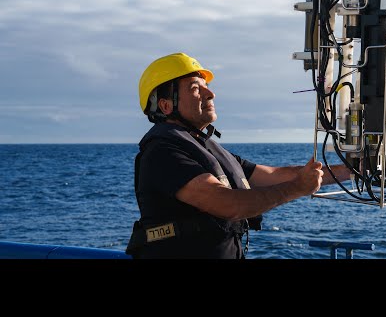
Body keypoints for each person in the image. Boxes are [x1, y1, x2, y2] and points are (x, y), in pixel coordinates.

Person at [125, 52, 351, 259]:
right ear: (166, 105)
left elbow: (275, 175)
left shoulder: (205, 149)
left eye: (207, 86)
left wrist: (352, 170)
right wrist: (297, 189)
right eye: (195, 88)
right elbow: (227, 204)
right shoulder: (163, 153)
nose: (210, 93)